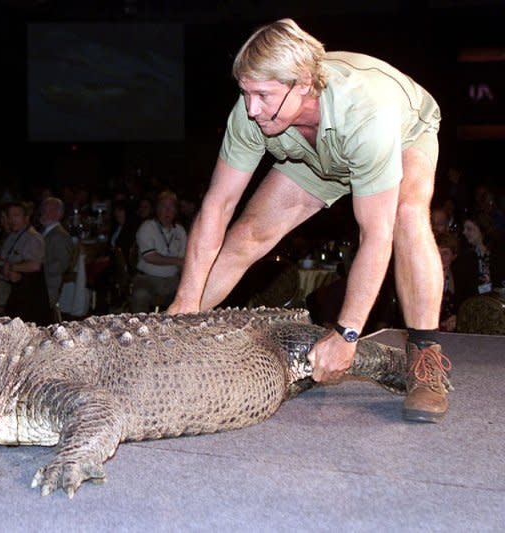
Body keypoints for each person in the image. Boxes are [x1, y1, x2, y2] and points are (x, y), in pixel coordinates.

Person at [167, 19, 450, 423]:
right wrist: (185, 301)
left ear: (303, 84)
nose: (252, 108)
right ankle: (179, 335)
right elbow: (218, 204)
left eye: (262, 95)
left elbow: (375, 234)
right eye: (246, 93)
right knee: (248, 233)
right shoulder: (252, 114)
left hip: (402, 131)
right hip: (314, 150)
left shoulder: (366, 114)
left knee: (406, 215)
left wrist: (348, 332)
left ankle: (425, 359)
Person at [131, 191, 187, 313]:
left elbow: (182, 264)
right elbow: (150, 257)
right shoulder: (147, 227)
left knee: (189, 297)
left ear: (176, 210)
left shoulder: (180, 231)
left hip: (172, 279)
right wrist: (178, 261)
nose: (167, 210)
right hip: (147, 278)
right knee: (140, 295)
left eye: (171, 206)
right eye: (163, 206)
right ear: (157, 209)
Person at [0, 201, 52, 326]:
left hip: (29, 295)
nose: (12, 220)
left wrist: (12, 267)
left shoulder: (33, 238)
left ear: (26, 218)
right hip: (11, 285)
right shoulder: (12, 236)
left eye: (16, 216)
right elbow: (3, 259)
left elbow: (35, 266)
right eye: (10, 216)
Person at [39, 197, 74, 309]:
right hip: (42, 283)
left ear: (59, 214)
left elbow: (61, 265)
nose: (45, 213)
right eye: (44, 210)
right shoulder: (44, 232)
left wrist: (39, 271)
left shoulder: (60, 235)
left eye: (50, 210)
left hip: (49, 285)